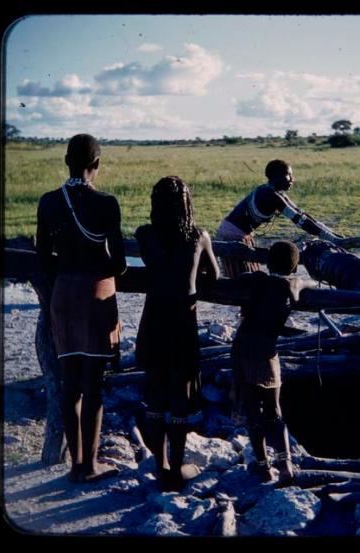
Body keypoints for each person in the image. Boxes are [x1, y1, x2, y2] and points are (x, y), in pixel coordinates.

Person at [36, 134, 127, 483]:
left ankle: (75, 464)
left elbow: (44, 259)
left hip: (62, 294)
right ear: (98, 165)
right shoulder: (107, 204)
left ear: (65, 161)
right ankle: (90, 465)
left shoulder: (48, 202)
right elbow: (118, 263)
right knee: (93, 384)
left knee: (69, 382)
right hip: (95, 294)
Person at [135, 176, 220, 492]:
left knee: (155, 392)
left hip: (154, 318)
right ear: (188, 205)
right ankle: (177, 465)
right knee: (181, 397)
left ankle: (160, 466)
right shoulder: (199, 237)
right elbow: (215, 274)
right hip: (182, 321)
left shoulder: (144, 235)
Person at [230, 241, 317, 484]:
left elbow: (236, 282)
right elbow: (305, 287)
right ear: (295, 265)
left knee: (252, 410)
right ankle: (285, 463)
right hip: (266, 349)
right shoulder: (291, 283)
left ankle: (263, 466)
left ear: (268, 262)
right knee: (273, 409)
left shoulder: (255, 278)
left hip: (243, 346)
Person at [215, 159, 344, 277]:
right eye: (288, 175)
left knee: (249, 278)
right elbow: (300, 221)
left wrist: (333, 235)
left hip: (238, 233)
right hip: (232, 236)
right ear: (275, 176)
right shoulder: (271, 196)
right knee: (243, 281)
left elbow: (302, 215)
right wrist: (332, 239)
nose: (292, 179)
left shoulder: (275, 192)